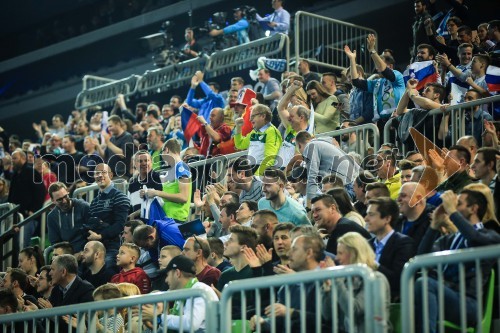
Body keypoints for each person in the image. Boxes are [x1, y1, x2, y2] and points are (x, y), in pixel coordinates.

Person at [416, 190, 500, 333]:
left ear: (473, 209)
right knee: (416, 286)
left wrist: (452, 212)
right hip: (445, 295)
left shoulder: (490, 236)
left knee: (425, 284)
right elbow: (420, 258)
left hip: (468, 304)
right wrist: (433, 226)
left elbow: (474, 239)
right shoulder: (450, 239)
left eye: (458, 204)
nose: (453, 207)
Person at [322, 232, 391, 333]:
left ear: (354, 253)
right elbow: (327, 315)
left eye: (340, 253)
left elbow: (354, 311)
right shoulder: (343, 281)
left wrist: (336, 279)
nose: (336, 258)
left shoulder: (376, 280)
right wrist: (327, 288)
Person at [137, 255, 219, 332]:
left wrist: (158, 318)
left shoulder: (200, 290)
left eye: (167, 275)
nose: (166, 280)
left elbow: (191, 323)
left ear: (177, 273)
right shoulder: (183, 294)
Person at [345, 36, 405, 131]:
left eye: (378, 64)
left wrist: (372, 50)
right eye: (376, 65)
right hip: (382, 123)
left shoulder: (398, 76)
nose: (377, 68)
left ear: (390, 66)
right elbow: (356, 82)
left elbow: (385, 70)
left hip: (399, 118)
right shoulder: (376, 83)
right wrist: (352, 59)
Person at [365, 197, 416, 301]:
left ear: (387, 219)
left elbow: (399, 280)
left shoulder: (403, 243)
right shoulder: (367, 245)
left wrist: (372, 264)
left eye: (371, 214)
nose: (366, 219)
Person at [295, 130, 360, 207]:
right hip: (354, 182)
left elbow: (312, 177)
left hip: (343, 186)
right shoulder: (323, 143)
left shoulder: (310, 147)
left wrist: (309, 205)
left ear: (299, 145)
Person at [88, 163, 130, 268]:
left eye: (104, 172)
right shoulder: (94, 202)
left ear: (111, 176)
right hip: (96, 246)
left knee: (108, 269)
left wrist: (100, 235)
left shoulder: (120, 197)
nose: (100, 175)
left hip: (113, 246)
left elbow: (120, 225)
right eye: (97, 173)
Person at [142, 139, 191, 223]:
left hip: (176, 219)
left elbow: (184, 197)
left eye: (162, 152)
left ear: (167, 150)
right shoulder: (172, 170)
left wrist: (156, 193)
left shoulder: (181, 167)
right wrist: (149, 193)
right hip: (166, 217)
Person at [6, 149, 46, 247]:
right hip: (16, 214)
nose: (12, 161)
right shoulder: (15, 175)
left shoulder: (32, 172)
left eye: (15, 158)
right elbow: (11, 195)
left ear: (23, 158)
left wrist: (33, 210)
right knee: (13, 245)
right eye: (12, 159)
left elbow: (41, 192)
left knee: (23, 243)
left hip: (28, 216)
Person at [234, 104, 283, 176]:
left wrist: (257, 176)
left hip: (261, 172)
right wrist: (238, 127)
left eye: (253, 116)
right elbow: (240, 144)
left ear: (263, 116)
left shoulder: (271, 131)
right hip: (251, 168)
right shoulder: (254, 132)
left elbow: (270, 158)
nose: (250, 120)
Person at [47, 182, 90, 254]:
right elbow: (55, 243)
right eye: (59, 199)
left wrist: (83, 252)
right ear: (53, 200)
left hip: (85, 250)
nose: (64, 201)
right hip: (67, 254)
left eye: (65, 196)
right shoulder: (51, 217)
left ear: (68, 192)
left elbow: (93, 232)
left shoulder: (83, 207)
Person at [395, 182, 432, 248]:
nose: (398, 199)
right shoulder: (397, 222)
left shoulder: (433, 221)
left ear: (418, 199)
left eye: (403, 195)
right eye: (398, 196)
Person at [127, 151, 162, 218]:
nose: (144, 163)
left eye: (146, 160)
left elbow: (159, 203)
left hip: (154, 222)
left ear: (151, 162)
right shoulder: (132, 183)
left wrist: (136, 213)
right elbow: (129, 207)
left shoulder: (158, 178)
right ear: (134, 164)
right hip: (135, 223)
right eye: (140, 161)